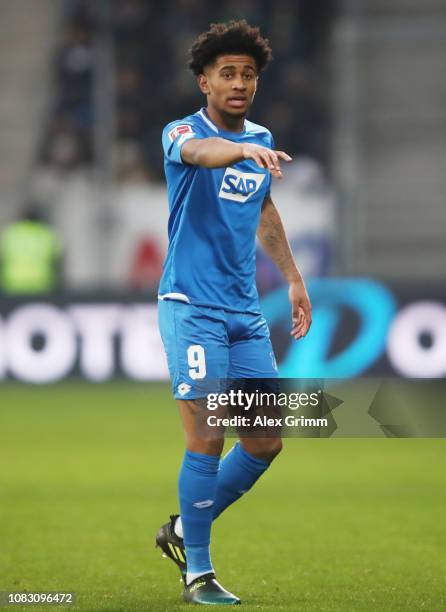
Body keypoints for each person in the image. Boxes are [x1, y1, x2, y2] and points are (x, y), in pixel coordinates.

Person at [155, 20, 312, 605]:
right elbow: (201, 153)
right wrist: (241, 148)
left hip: (244, 313)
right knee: (207, 435)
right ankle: (199, 571)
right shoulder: (181, 132)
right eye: (228, 74)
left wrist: (294, 279)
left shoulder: (261, 138)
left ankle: (180, 527)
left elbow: (264, 209)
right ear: (205, 81)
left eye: (248, 74)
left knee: (266, 441)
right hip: (190, 308)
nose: (239, 82)